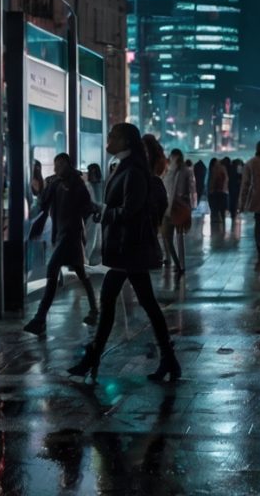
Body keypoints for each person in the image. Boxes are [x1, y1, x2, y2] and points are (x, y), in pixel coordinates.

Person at [68, 123, 179, 382]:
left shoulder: (134, 171)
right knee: (135, 303)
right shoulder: (125, 167)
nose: (108, 139)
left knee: (118, 302)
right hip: (126, 250)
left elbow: (131, 211)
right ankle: (167, 359)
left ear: (126, 141)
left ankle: (93, 358)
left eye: (113, 135)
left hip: (129, 249)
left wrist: (104, 211)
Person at [23, 153, 100, 336]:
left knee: (54, 269)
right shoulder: (56, 183)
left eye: (59, 165)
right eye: (55, 165)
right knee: (80, 272)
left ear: (67, 164)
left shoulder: (76, 183)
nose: (56, 168)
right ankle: (93, 310)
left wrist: (95, 211)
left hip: (70, 236)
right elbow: (43, 203)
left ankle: (40, 318)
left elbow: (86, 206)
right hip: (61, 235)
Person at [162, 148, 196, 274]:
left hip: (179, 208)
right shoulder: (169, 170)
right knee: (168, 237)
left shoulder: (185, 171)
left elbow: (191, 189)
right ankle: (177, 263)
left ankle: (180, 265)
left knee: (178, 237)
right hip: (170, 208)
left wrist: (190, 205)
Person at [208, 158, 229, 225]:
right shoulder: (224, 168)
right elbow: (226, 179)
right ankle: (223, 222)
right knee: (222, 210)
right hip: (223, 192)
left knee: (214, 209)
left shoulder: (214, 169)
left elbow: (213, 180)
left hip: (215, 192)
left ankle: (214, 223)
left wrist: (211, 189)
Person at [227, 158, 244, 225]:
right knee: (235, 200)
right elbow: (240, 176)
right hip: (236, 186)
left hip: (231, 186)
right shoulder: (239, 167)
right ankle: (234, 212)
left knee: (232, 200)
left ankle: (233, 213)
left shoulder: (230, 167)